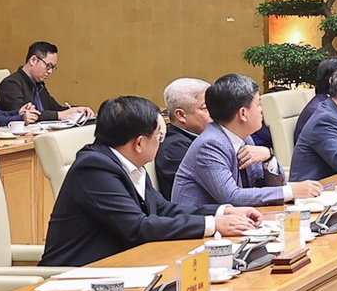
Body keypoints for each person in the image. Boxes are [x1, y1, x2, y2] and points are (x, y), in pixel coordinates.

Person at [40, 96, 262, 267]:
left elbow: (163, 209)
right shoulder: (94, 169)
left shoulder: (129, 163)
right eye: (158, 136)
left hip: (123, 265)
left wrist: (224, 212)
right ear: (139, 143)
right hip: (78, 275)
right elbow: (137, 227)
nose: (160, 142)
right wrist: (213, 225)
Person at [173, 73, 322, 209]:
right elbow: (232, 197)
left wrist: (269, 158)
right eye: (258, 104)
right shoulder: (210, 144)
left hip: (239, 219)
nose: (261, 110)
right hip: (200, 225)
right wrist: (291, 191)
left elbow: (269, 185)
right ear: (243, 113)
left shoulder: (245, 137)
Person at [0, 42, 92, 123]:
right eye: (48, 66)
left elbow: (55, 109)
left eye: (53, 68)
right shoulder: (10, 84)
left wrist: (77, 110)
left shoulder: (39, 85)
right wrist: (60, 115)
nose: (50, 71)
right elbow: (26, 114)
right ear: (33, 60)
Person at [156, 78, 213, 194]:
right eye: (205, 108)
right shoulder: (174, 148)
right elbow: (217, 187)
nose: (215, 113)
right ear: (181, 115)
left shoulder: (205, 137)